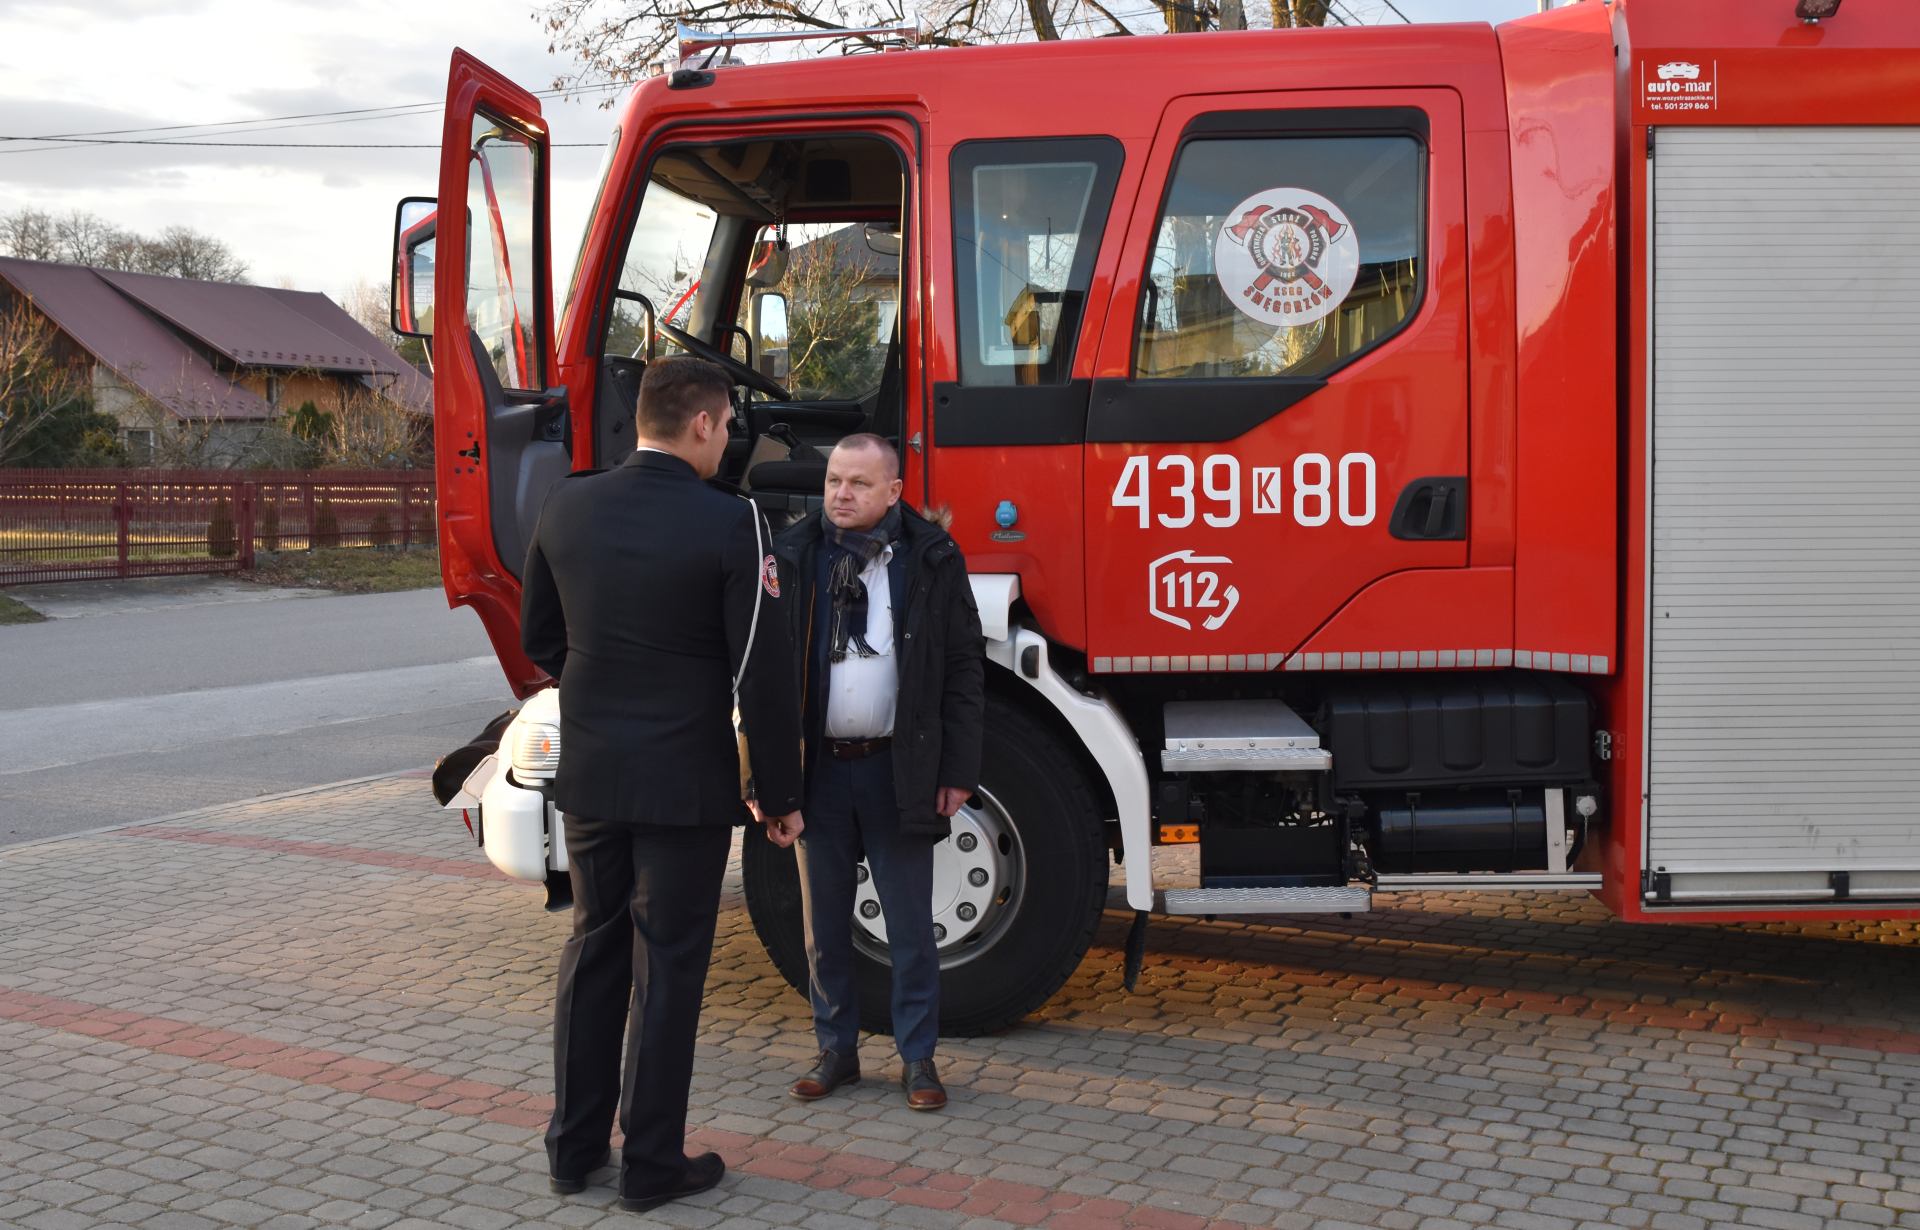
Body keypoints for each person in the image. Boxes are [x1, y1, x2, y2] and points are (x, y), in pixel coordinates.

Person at [520, 356, 805, 1213]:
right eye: (724, 430)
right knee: (669, 968)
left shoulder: (566, 503)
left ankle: (572, 1150)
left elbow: (542, 637)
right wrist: (779, 793)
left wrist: (607, 691)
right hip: (684, 781)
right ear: (707, 425)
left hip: (595, 775)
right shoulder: (734, 522)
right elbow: (762, 671)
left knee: (594, 947)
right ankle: (650, 1165)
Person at [767, 433, 985, 1111]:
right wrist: (766, 782)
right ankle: (837, 1050)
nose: (840, 494)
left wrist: (958, 768)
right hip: (821, 774)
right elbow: (763, 676)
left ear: (894, 491)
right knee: (823, 927)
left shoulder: (932, 557)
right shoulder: (794, 555)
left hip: (900, 768)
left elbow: (962, 669)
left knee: (912, 929)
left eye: (859, 483)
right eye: (834, 479)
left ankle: (918, 1059)